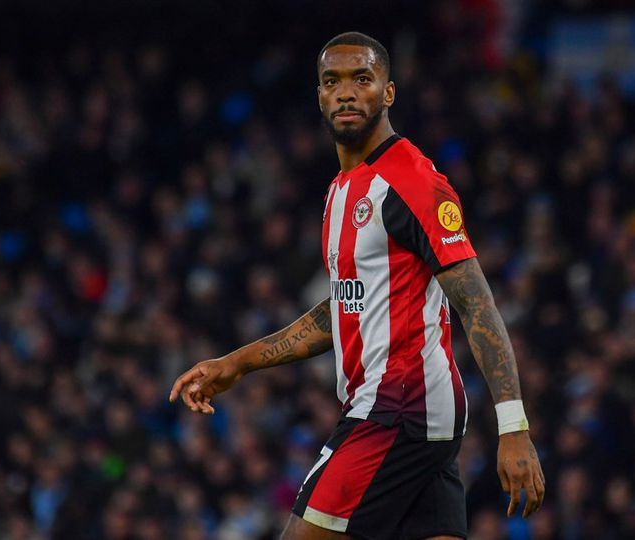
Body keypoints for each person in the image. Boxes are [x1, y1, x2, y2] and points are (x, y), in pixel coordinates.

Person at [169, 32, 545, 540]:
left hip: (397, 409)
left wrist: (514, 427)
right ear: (319, 96)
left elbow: (476, 303)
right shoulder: (341, 191)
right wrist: (237, 362)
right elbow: (346, 308)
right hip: (412, 415)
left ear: (388, 93)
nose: (347, 92)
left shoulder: (412, 182)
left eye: (362, 79)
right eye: (332, 81)